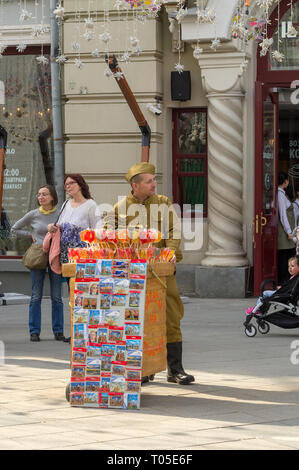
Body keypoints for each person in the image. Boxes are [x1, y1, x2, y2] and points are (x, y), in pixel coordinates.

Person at [104, 162, 195, 385]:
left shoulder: (163, 203)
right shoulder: (120, 207)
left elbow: (174, 230)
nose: (154, 184)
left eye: (154, 180)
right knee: (139, 317)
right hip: (133, 272)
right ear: (135, 185)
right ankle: (144, 369)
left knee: (171, 314)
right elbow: (107, 232)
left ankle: (175, 369)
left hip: (162, 270)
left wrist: (171, 252)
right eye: (149, 181)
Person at [11, 185, 64, 342]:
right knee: (36, 296)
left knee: (56, 296)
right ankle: (34, 331)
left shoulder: (60, 214)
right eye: (39, 194)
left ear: (52, 197)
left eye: (44, 194)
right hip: (37, 255)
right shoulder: (33, 214)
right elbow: (14, 228)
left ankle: (58, 331)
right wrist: (30, 234)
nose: (41, 197)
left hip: (55, 255)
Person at [47, 174, 101, 264]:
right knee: (66, 277)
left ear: (80, 185)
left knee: (78, 277)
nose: (68, 186)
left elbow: (98, 229)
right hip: (64, 253)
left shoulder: (91, 205)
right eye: (66, 185)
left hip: (82, 254)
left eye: (71, 183)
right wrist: (51, 226)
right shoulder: (66, 204)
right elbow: (59, 225)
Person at [277, 172, 296, 285]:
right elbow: (283, 215)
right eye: (287, 180)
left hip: (286, 232)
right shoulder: (280, 195)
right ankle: (284, 281)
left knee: (288, 255)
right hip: (284, 233)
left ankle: (287, 281)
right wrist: (289, 231)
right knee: (285, 257)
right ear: (285, 181)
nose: (288, 182)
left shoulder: (283, 194)